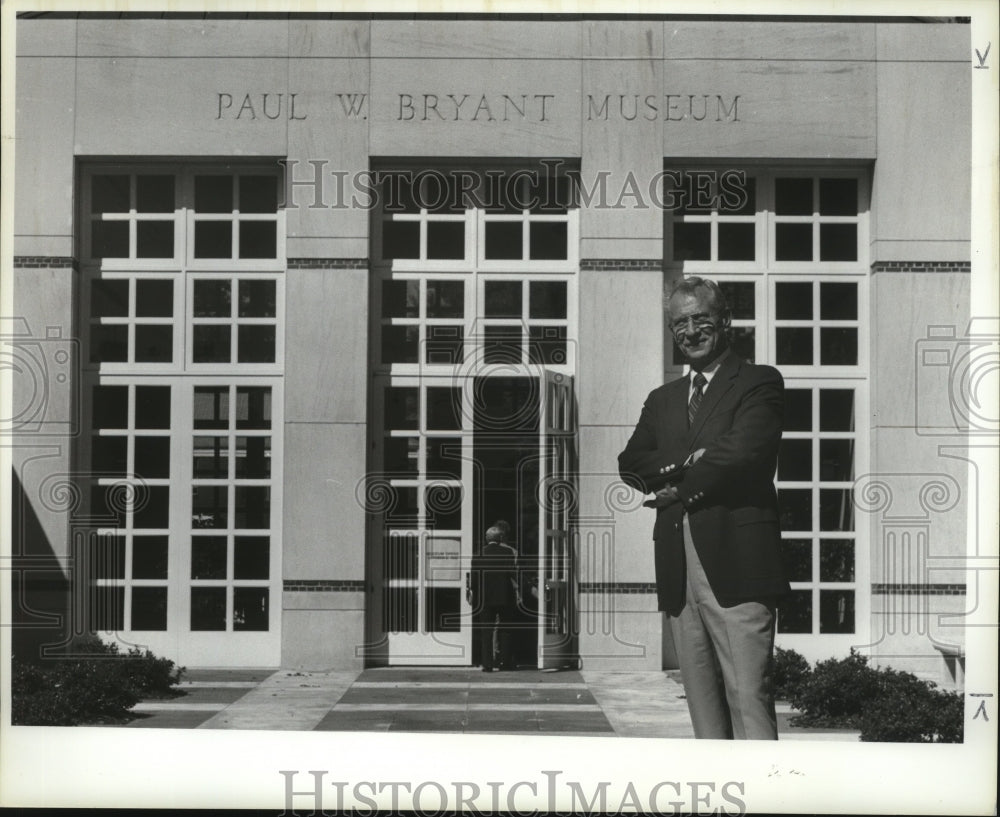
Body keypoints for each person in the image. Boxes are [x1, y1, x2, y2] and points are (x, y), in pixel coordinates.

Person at [618, 276, 789, 740]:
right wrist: (686, 462)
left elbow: (743, 454)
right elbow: (631, 465)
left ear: (724, 320)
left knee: (747, 697)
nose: (689, 331)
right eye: (679, 324)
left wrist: (674, 484)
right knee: (703, 711)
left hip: (738, 561)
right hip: (679, 570)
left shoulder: (759, 382)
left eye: (699, 319)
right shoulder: (663, 399)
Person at [467, 525, 520, 671]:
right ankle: (505, 662)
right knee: (505, 630)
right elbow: (512, 574)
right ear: (500, 538)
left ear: (486, 538)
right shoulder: (508, 552)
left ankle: (487, 664)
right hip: (504, 597)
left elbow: (474, 580)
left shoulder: (478, 554)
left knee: (486, 631)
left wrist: (473, 596)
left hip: (485, 599)